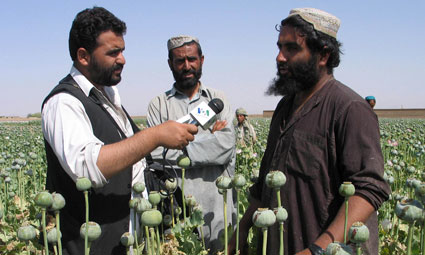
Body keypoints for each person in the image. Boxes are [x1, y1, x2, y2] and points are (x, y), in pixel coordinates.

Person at [229, 8, 390, 255]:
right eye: (279, 47)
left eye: (291, 48)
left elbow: (368, 191)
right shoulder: (285, 107)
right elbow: (265, 184)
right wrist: (242, 228)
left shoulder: (350, 109)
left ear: (323, 55)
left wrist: (317, 249)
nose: (280, 57)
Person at [41, 7, 197, 255]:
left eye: (122, 51)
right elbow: (86, 168)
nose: (122, 59)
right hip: (90, 246)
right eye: (113, 53)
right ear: (83, 56)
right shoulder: (64, 103)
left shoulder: (107, 96)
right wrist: (154, 136)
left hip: (126, 240)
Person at [147, 35, 236, 253]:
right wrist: (208, 139)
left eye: (191, 59)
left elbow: (225, 146)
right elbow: (157, 154)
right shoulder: (158, 105)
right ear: (170, 64)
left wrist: (173, 142)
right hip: (177, 215)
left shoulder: (217, 98)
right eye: (179, 61)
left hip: (218, 213)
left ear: (201, 60)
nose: (187, 66)